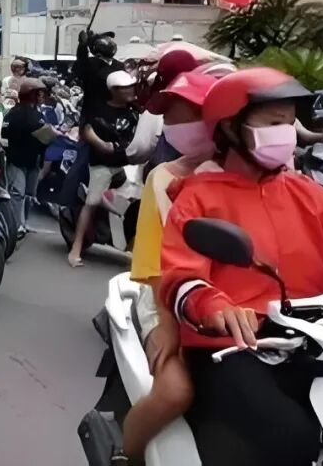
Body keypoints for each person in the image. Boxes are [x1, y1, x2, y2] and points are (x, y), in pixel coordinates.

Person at [157, 68, 323, 466]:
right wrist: (213, 304)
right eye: (273, 123)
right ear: (231, 127)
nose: (286, 134)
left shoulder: (312, 196)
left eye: (289, 124)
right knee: (292, 440)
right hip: (232, 348)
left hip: (314, 343)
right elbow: (181, 276)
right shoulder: (198, 198)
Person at [115, 71, 220, 464]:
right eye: (171, 118)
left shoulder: (247, 175)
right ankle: (128, 454)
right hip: (165, 296)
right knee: (176, 391)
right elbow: (151, 261)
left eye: (188, 115)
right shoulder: (162, 177)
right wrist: (168, 323)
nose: (177, 126)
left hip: (238, 302)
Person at [67, 70, 139, 267]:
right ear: (114, 90)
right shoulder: (98, 109)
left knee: (138, 203)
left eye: (131, 86)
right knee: (92, 202)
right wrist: (101, 144)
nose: (130, 90)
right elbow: (87, 131)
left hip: (128, 164)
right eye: (125, 88)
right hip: (102, 165)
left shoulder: (135, 111)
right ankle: (76, 248)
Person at [2, 78, 52, 237]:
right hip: (17, 161)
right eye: (38, 93)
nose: (41, 96)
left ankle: (23, 223)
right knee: (17, 193)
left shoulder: (35, 113)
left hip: (32, 160)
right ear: (31, 94)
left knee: (29, 194)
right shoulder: (17, 114)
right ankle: (16, 226)